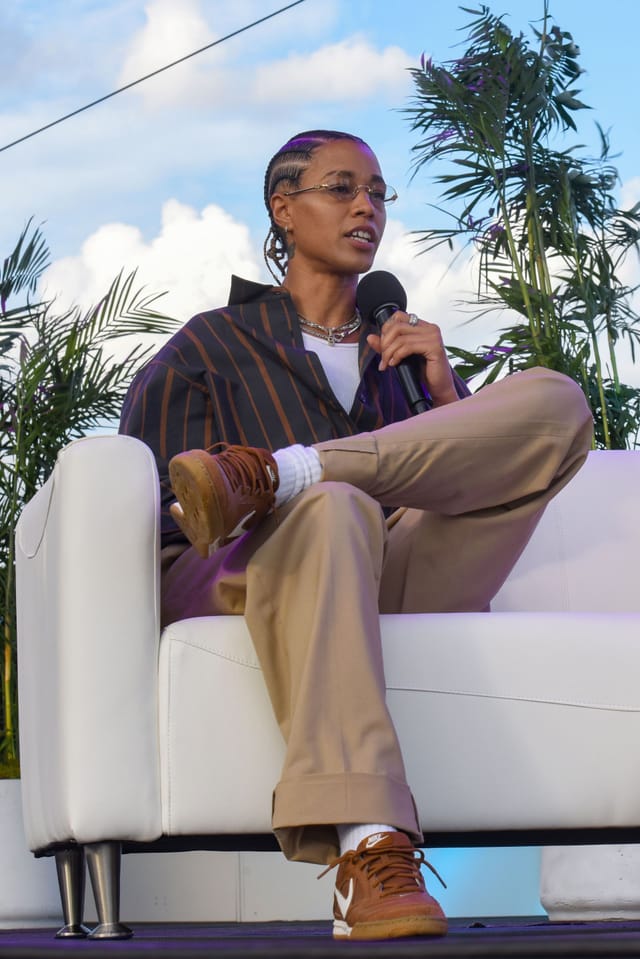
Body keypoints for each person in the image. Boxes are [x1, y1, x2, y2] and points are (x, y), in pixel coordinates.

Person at [119, 129, 593, 941]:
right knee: (335, 508)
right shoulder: (211, 344)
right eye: (342, 188)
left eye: (378, 193)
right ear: (283, 208)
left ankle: (289, 469)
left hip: (397, 569)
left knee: (557, 402)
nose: (366, 207)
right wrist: (294, 506)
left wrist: (444, 394)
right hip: (264, 572)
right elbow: (170, 509)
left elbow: (490, 473)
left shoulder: (402, 355)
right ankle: (370, 847)